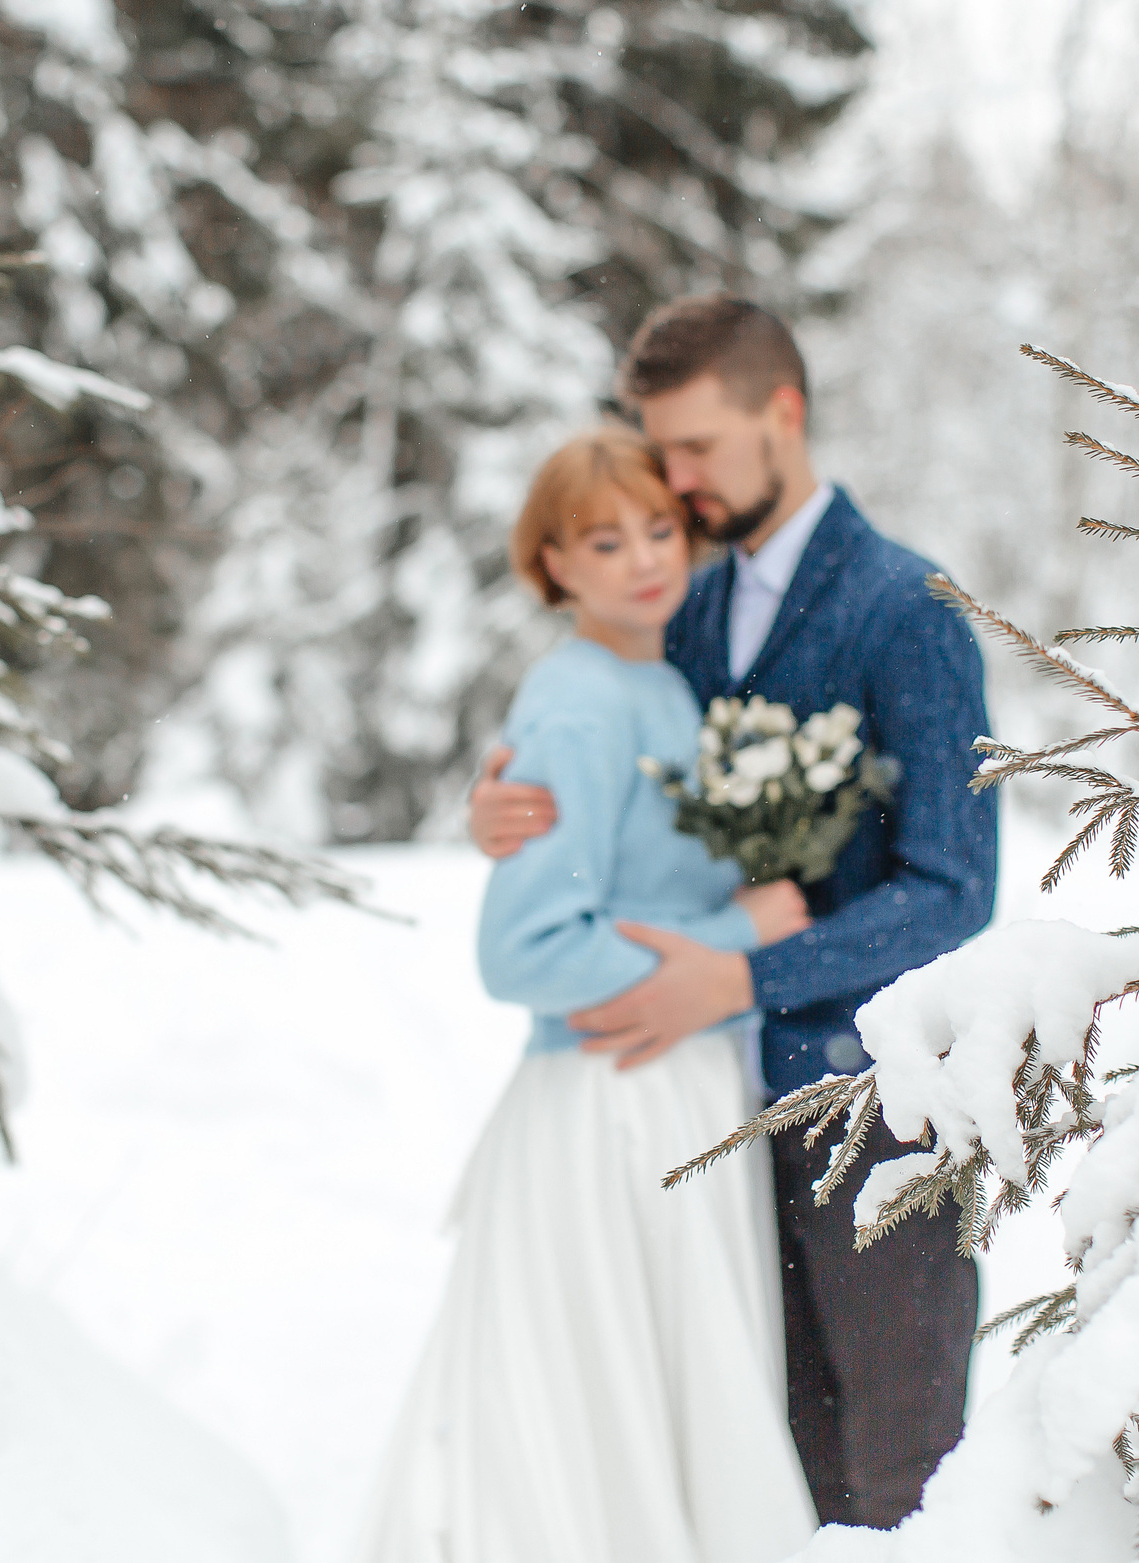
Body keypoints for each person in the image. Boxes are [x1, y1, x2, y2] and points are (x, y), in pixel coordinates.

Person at [468, 295, 999, 1530]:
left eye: (698, 448)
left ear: (784, 412)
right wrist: (501, 799)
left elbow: (952, 891)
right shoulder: (686, 611)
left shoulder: (908, 608)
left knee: (901, 1473)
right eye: (663, 450)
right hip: (705, 1119)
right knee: (758, 1478)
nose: (679, 480)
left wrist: (738, 976)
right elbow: (618, 779)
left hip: (874, 1112)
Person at [356, 428, 820, 1563]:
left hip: (676, 1084)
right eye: (602, 542)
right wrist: (738, 934)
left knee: (668, 1411)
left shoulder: (659, 680)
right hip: (611, 1100)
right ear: (552, 564)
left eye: (657, 529)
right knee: (605, 1420)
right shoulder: (576, 701)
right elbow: (527, 948)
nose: (642, 560)